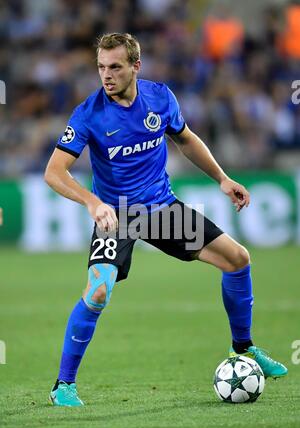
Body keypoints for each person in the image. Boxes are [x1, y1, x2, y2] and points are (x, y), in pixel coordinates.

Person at [44, 33, 287, 407]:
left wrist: (222, 178)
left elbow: (186, 139)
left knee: (238, 259)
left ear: (135, 67)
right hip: (118, 215)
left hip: (161, 211)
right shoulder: (88, 113)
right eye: (101, 67)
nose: (106, 76)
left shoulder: (160, 98)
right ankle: (63, 385)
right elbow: (55, 172)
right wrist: (92, 203)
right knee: (98, 290)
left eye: (115, 67)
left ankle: (245, 348)